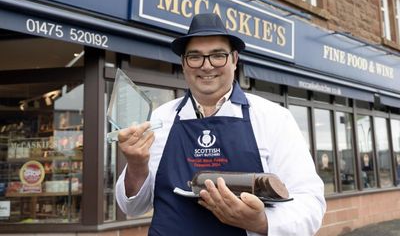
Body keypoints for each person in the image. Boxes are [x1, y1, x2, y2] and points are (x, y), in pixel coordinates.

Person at [115, 13, 326, 235]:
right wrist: (137, 166)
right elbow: (133, 207)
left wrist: (261, 222)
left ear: (235, 60)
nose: (206, 66)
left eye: (217, 56)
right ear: (184, 64)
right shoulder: (161, 117)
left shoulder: (273, 117)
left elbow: (310, 202)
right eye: (195, 57)